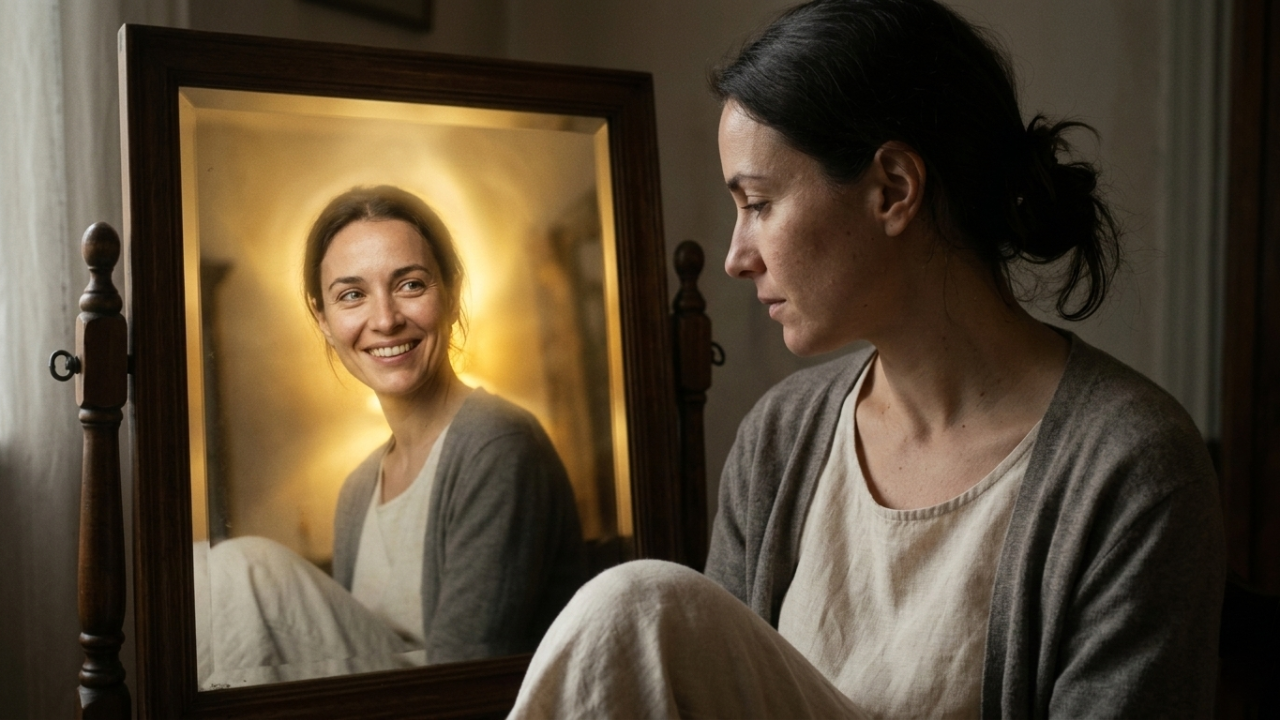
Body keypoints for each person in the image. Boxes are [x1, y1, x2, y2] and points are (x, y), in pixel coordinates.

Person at [507, 1, 1225, 718]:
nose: (735, 257)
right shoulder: (780, 439)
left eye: (758, 203)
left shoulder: (1129, 468)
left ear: (893, 190)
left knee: (636, 606)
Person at [196, 185, 587, 688]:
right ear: (323, 320)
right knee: (204, 570)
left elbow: (465, 681)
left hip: (448, 709)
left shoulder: (497, 443)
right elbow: (344, 665)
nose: (385, 320)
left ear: (451, 293)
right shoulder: (357, 491)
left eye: (410, 285)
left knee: (237, 571)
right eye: (352, 295)